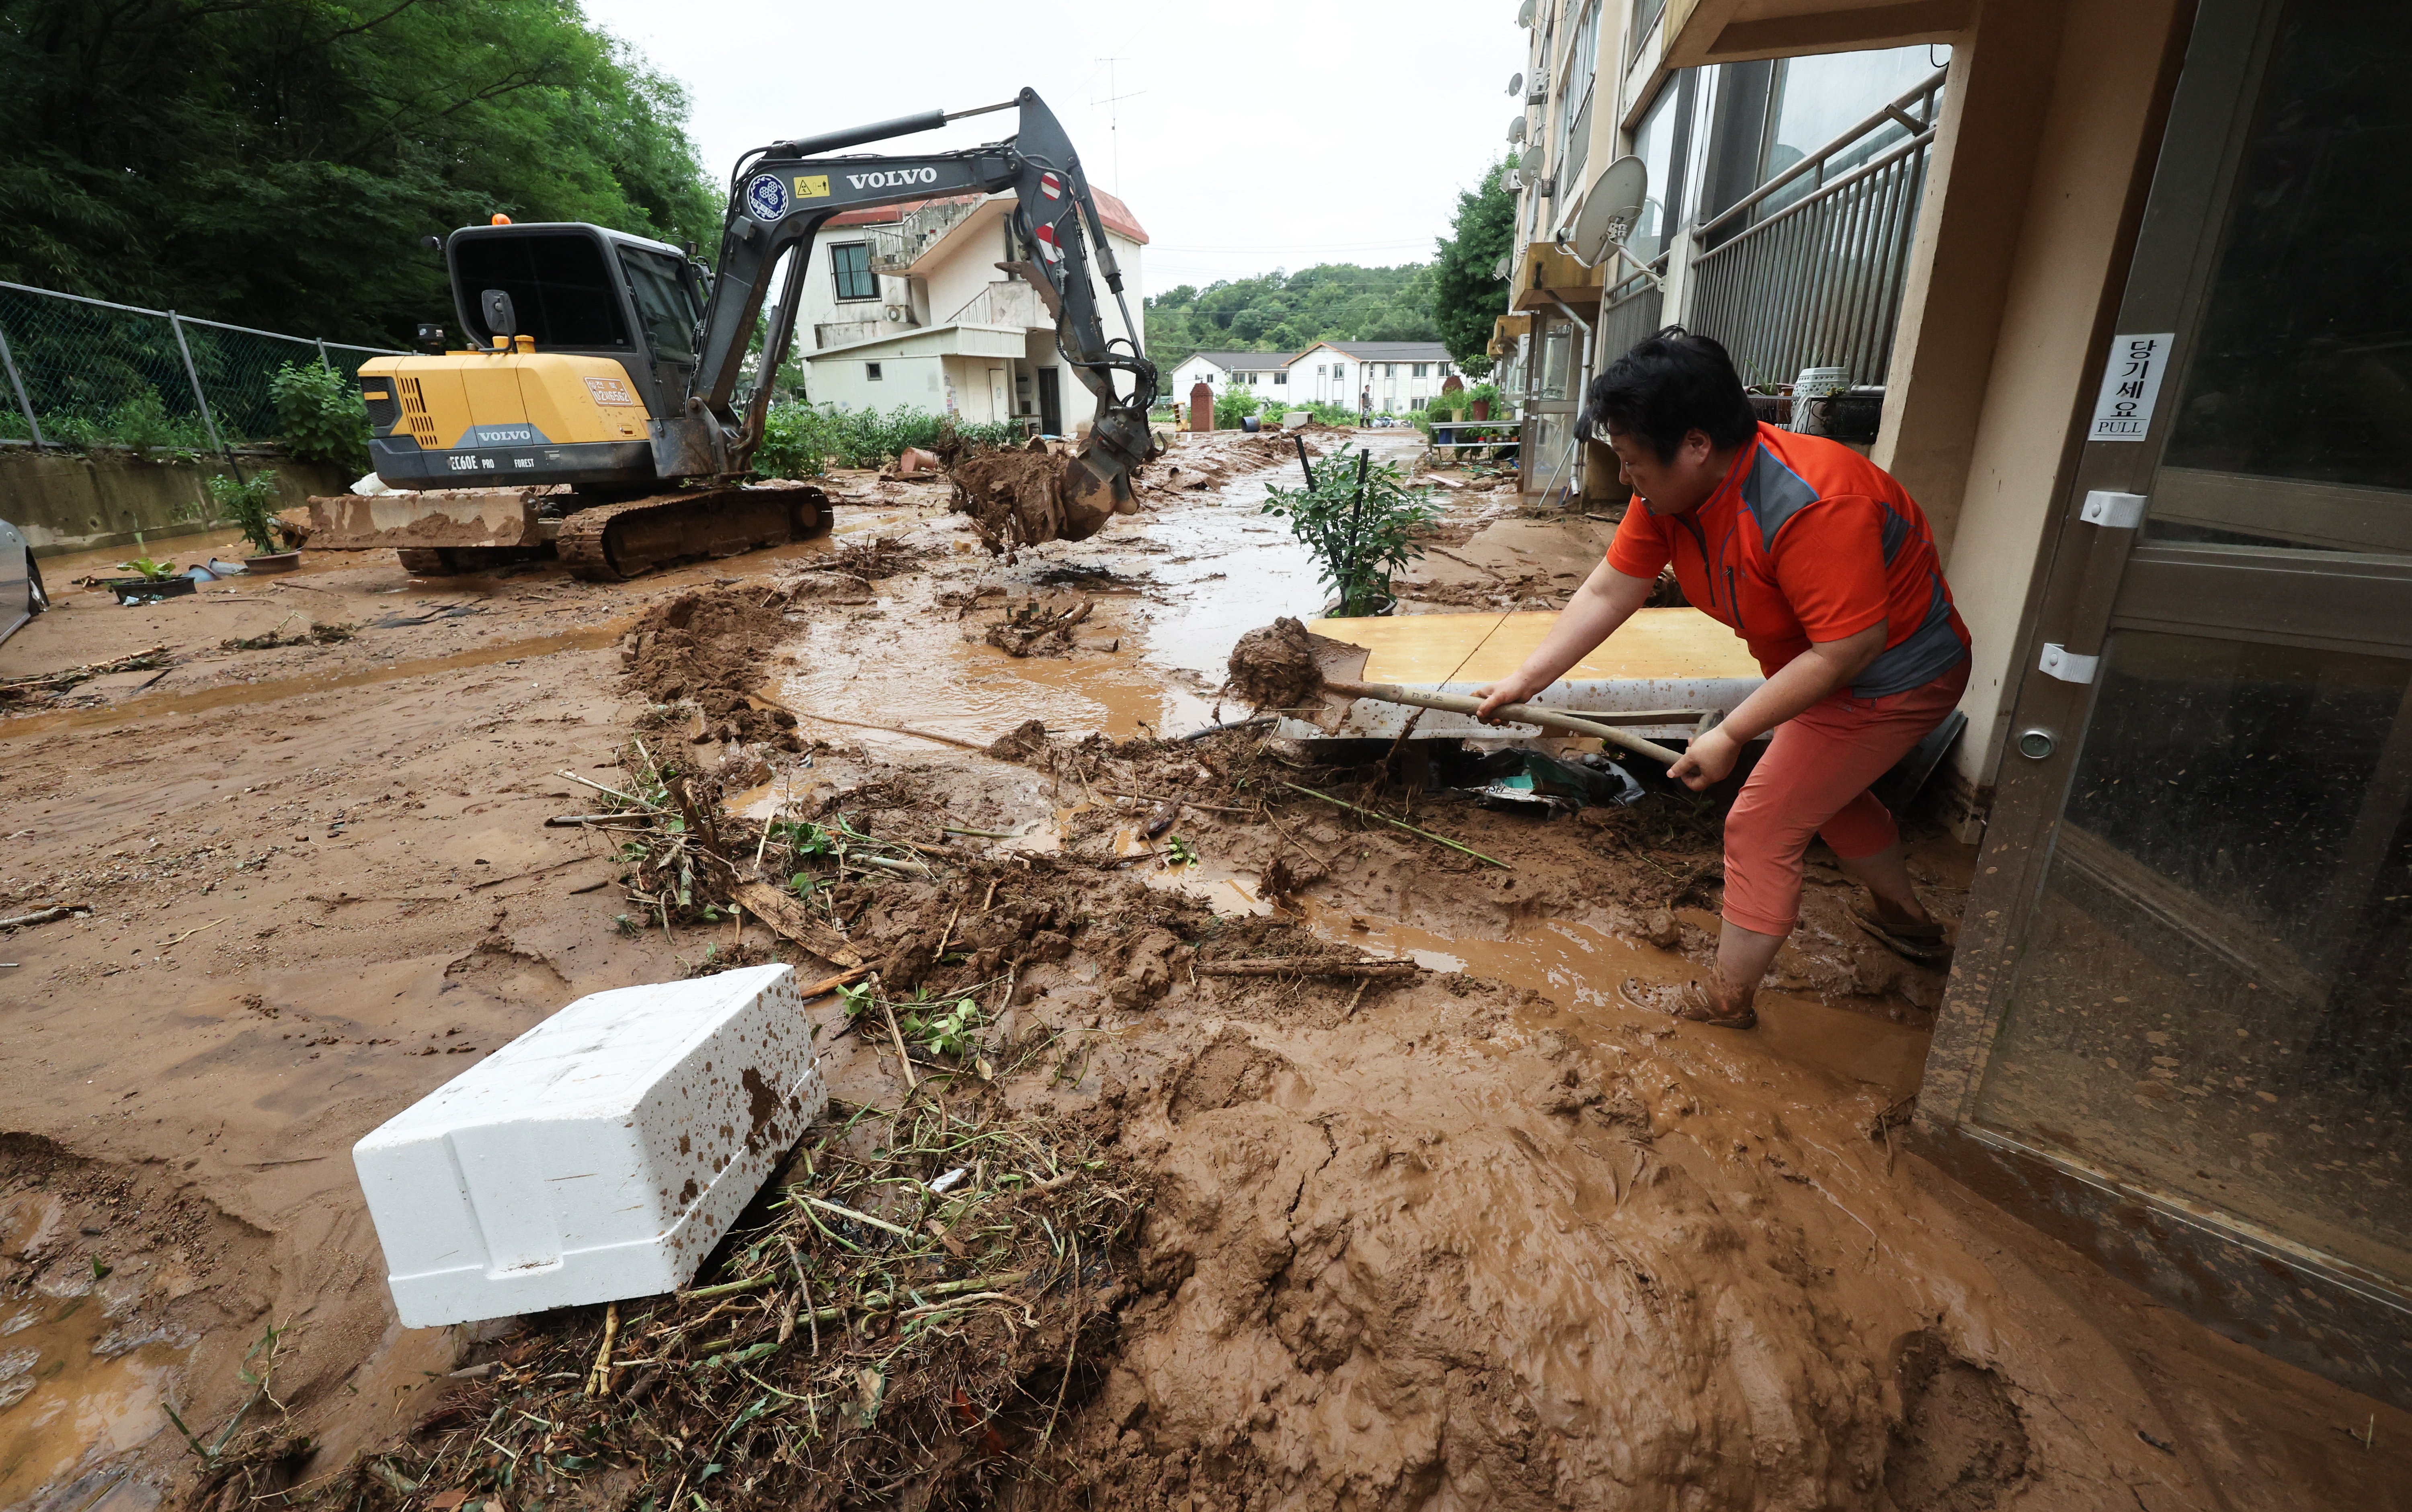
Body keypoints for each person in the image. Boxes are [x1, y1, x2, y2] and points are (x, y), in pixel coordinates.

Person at [1474, 328, 1970, 1029]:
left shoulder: (1812, 503)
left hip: (1892, 677)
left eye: (1634, 461)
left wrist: (1734, 731)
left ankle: (1725, 1003)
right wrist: (1526, 680)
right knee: (1822, 792)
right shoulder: (1670, 498)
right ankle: (1908, 921)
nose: (1626, 480)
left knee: (1761, 822)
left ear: (1698, 444)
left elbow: (1846, 649)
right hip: (1822, 668)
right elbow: (1611, 591)